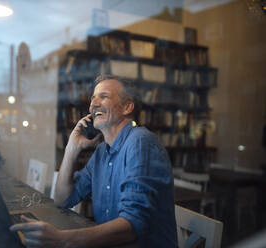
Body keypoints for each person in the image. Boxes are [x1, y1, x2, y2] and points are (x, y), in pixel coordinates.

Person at [10, 75, 177, 247]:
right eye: (93, 98)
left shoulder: (141, 142)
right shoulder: (102, 152)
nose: (93, 104)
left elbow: (133, 225)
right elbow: (62, 199)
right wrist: (71, 149)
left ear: (127, 107)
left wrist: (62, 239)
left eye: (103, 97)